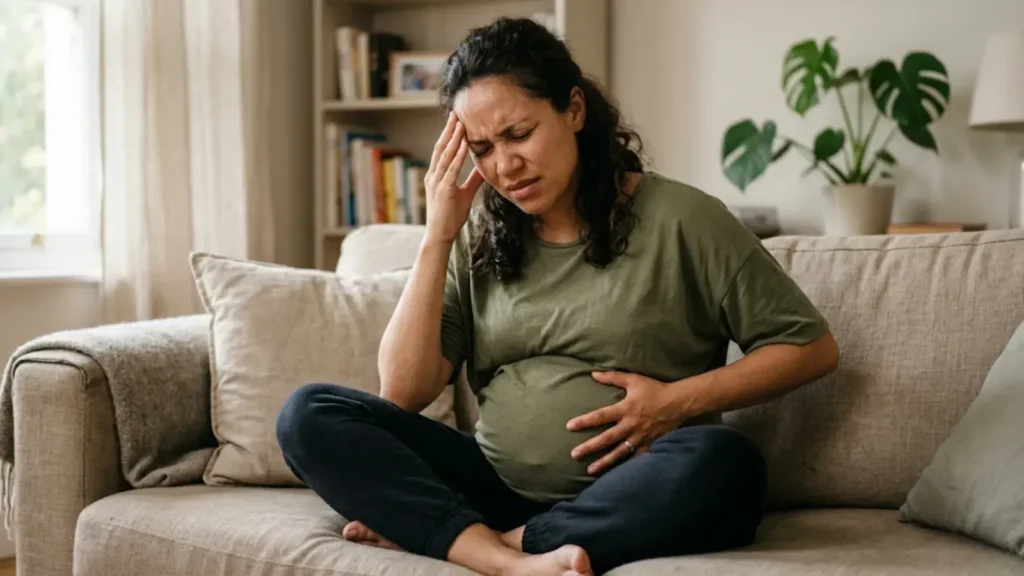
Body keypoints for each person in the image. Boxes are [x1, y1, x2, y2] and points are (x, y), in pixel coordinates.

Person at [276, 16, 839, 576]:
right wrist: (438, 234)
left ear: (573, 109)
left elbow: (811, 348)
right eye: (482, 149)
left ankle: (482, 541)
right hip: (489, 480)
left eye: (519, 135)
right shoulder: (477, 233)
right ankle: (499, 556)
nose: (504, 165)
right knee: (309, 414)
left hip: (626, 488)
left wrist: (674, 402)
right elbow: (402, 391)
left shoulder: (685, 220)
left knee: (727, 464)